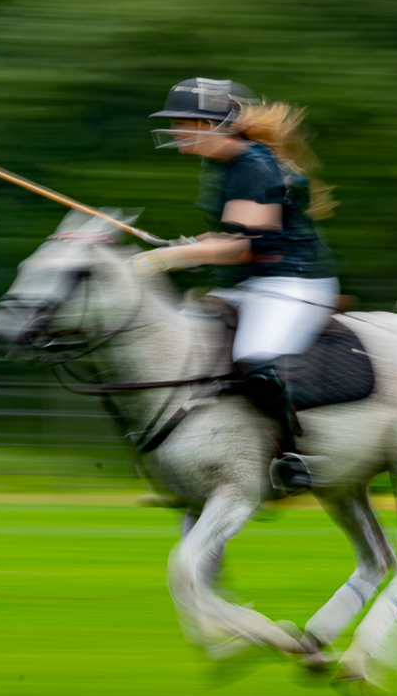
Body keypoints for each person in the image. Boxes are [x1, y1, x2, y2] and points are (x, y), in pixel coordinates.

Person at [134, 77, 340, 493]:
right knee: (181, 351)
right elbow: (231, 239)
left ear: (216, 124)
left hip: (292, 284)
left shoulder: (253, 165)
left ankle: (292, 457)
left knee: (253, 359)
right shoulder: (224, 165)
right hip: (249, 285)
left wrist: (171, 257)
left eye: (185, 121)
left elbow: (243, 247)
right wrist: (188, 246)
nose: (175, 130)